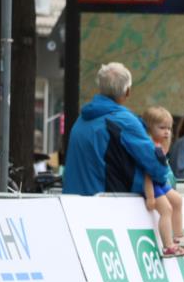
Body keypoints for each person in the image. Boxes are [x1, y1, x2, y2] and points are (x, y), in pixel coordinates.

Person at [64, 62, 170, 196]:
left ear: (100, 88)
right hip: (108, 206)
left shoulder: (81, 119)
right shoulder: (125, 121)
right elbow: (156, 167)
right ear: (127, 91)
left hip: (72, 205)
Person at [141, 106, 184, 258]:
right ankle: (168, 246)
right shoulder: (149, 147)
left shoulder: (159, 146)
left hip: (161, 182)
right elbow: (148, 174)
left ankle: (178, 235)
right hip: (154, 185)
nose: (167, 132)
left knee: (177, 200)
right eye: (162, 128)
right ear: (149, 127)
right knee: (166, 210)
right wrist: (150, 197)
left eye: (169, 128)